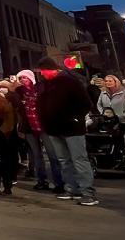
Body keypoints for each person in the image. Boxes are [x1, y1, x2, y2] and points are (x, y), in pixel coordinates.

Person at [36, 57, 97, 206]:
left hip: (72, 129)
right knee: (64, 160)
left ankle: (87, 192)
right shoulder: (45, 85)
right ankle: (71, 188)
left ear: (52, 70)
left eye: (44, 71)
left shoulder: (70, 82)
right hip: (53, 128)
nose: (42, 74)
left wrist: (74, 118)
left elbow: (85, 104)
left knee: (79, 159)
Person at [17, 70, 63, 192]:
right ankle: (42, 180)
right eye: (20, 78)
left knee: (52, 154)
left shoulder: (40, 90)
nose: (22, 80)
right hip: (29, 127)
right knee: (37, 155)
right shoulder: (19, 92)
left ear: (31, 78)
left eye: (24, 78)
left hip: (43, 126)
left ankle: (59, 182)